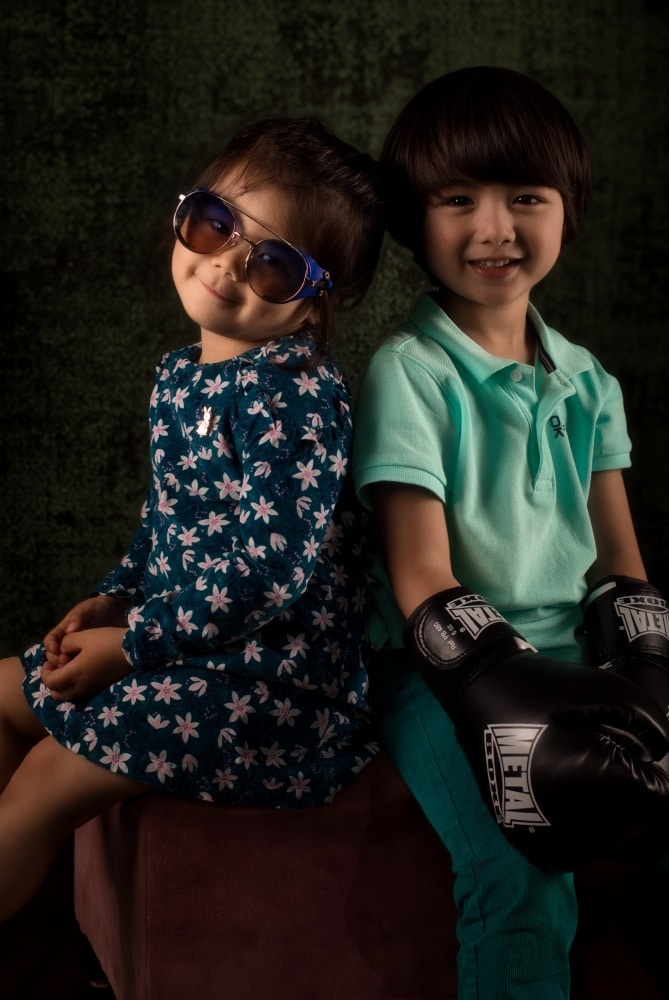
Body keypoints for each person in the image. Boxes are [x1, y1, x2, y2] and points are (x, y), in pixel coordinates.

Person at [352, 66, 669, 998]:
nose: (494, 229)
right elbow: (420, 577)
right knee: (519, 880)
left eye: (526, 196)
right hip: (445, 676)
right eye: (457, 199)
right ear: (413, 221)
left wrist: (644, 684)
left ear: (570, 208)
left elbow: (622, 561)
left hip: (581, 658)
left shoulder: (590, 379)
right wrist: (512, 700)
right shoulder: (412, 370)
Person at [0, 116, 385, 922]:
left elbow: (266, 574)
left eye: (273, 265)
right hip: (183, 640)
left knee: (43, 783)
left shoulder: (297, 395)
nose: (225, 265)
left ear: (318, 304)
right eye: (215, 223)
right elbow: (167, 520)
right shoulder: (182, 376)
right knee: (3, 691)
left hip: (275, 683)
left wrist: (131, 644)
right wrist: (115, 596)